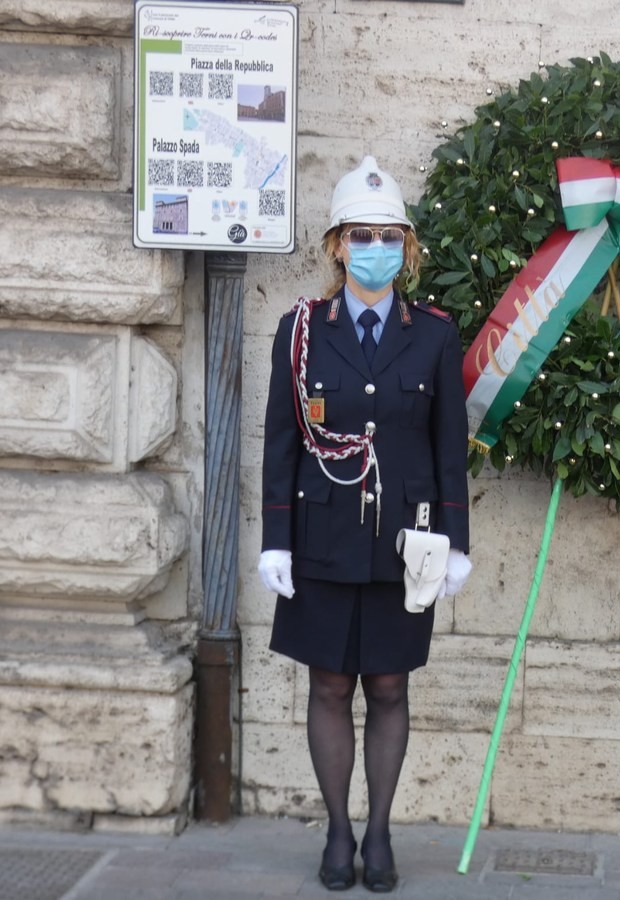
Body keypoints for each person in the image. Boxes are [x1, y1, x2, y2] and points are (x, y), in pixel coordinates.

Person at [257, 156, 472, 893]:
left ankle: (379, 833)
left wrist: (457, 544)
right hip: (321, 542)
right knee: (326, 687)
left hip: (401, 545)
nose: (374, 246)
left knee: (387, 687)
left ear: (405, 248)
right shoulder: (300, 332)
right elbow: (281, 444)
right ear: (337, 245)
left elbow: (449, 451)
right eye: (361, 234)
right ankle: (338, 834)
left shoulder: (436, 336)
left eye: (388, 235)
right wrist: (274, 540)